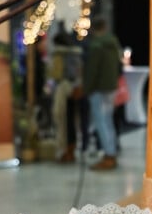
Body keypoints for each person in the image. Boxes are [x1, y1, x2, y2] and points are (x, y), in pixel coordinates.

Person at [82, 16, 122, 171]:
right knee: (108, 122)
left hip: (98, 88)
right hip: (111, 87)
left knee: (101, 123)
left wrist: (87, 88)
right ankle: (111, 153)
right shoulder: (113, 43)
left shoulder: (96, 45)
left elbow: (92, 70)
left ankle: (108, 155)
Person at [49, 24, 83, 163]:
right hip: (70, 88)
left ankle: (67, 150)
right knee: (68, 121)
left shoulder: (63, 54)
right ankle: (68, 150)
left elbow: (67, 73)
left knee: (63, 120)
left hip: (64, 87)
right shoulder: (75, 53)